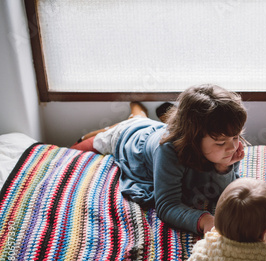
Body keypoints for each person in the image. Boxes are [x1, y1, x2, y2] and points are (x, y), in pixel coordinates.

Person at [70, 84, 247, 234]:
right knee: (81, 146)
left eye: (235, 137)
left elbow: (221, 191)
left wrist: (224, 168)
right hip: (128, 136)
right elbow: (167, 206)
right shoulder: (168, 150)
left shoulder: (228, 145)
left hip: (157, 130)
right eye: (221, 142)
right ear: (193, 138)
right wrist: (204, 220)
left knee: (142, 120)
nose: (232, 147)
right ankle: (136, 113)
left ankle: (144, 114)